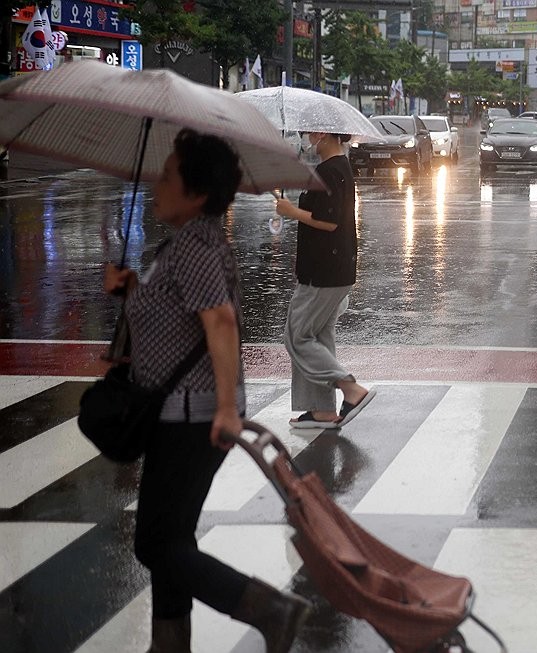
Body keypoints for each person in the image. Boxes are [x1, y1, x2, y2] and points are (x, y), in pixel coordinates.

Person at [103, 129, 310, 653]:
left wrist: (224, 408)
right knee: (172, 537)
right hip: (183, 410)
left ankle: (269, 609)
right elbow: (178, 312)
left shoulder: (195, 245)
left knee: (154, 540)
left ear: (196, 193)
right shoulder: (191, 241)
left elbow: (218, 321)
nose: (158, 183)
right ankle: (169, 643)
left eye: (169, 175)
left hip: (193, 415)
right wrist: (129, 288)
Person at [275, 131, 375, 430]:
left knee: (297, 336)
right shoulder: (337, 167)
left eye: (310, 133)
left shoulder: (329, 171)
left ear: (324, 135)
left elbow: (329, 221)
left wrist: (291, 211)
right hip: (334, 269)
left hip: (323, 272)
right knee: (318, 336)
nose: (307, 138)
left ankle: (350, 388)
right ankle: (321, 410)